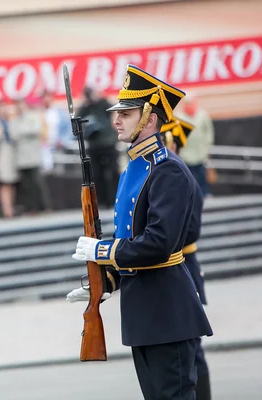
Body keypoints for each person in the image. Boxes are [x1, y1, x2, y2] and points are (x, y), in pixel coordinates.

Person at [68, 65, 213, 400]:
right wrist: (105, 283)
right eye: (117, 113)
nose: (117, 119)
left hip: (167, 312)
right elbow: (135, 245)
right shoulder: (135, 167)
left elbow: (158, 244)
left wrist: (101, 251)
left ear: (150, 118)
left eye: (127, 113)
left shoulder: (168, 171)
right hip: (144, 314)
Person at [160, 118, 211, 400]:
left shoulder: (183, 178)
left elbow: (191, 231)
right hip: (180, 265)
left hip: (185, 266)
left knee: (193, 350)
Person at [77, 86, 119, 208]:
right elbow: (78, 119)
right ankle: (102, 201)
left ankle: (114, 199)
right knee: (96, 174)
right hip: (94, 144)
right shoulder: (85, 108)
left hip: (108, 142)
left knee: (113, 172)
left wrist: (99, 97)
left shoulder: (103, 103)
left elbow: (113, 107)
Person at [175, 93, 215, 197]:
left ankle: (205, 194)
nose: (189, 106)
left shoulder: (202, 115)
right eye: (187, 104)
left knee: (202, 175)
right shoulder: (179, 117)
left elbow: (209, 132)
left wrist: (208, 146)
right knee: (188, 177)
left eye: (191, 103)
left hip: (201, 153)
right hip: (185, 154)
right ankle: (191, 196)